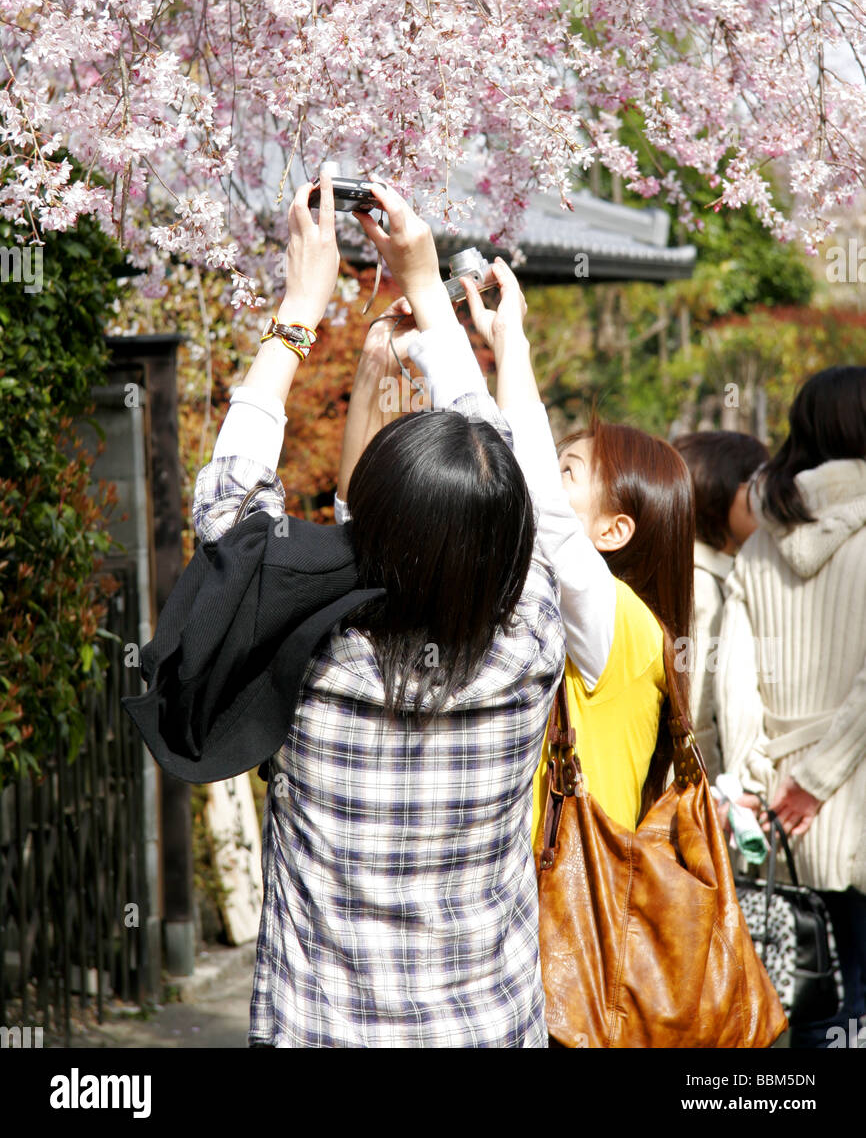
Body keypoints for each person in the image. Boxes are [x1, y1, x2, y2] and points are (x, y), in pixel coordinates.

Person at [192, 171, 565, 1048]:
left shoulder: (311, 662)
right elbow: (519, 485)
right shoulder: (532, 644)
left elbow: (226, 515)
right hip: (488, 1028)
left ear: (366, 530)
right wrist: (433, 293)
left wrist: (300, 305)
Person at [460, 263, 695, 837]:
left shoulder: (621, 624)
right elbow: (499, 472)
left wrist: (511, 342)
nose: (546, 475)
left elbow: (534, 500)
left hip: (567, 913)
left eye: (568, 471)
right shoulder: (559, 610)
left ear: (613, 532)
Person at [716, 366, 866, 1049]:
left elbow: (732, 680)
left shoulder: (755, 548)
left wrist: (755, 786)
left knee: (802, 1008)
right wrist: (818, 781)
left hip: (774, 821)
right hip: (847, 805)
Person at [674, 431, 769, 783]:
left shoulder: (686, 569)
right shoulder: (705, 586)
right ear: (720, 489)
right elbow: (698, 715)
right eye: (757, 483)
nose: (767, 497)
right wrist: (709, 799)